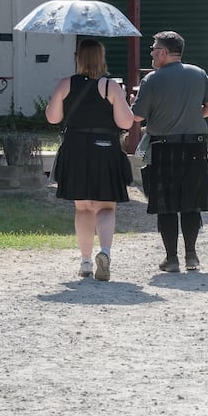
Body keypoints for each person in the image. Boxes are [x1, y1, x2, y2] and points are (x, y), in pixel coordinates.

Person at [131, 31, 208, 273]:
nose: (151, 53)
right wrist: (193, 115)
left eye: (153, 49)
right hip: (195, 145)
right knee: (191, 202)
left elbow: (137, 116)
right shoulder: (198, 73)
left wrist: (131, 100)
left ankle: (171, 259)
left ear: (163, 52)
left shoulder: (152, 79)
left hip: (163, 147)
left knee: (167, 204)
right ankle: (191, 256)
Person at [45, 38, 134, 280]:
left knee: (83, 207)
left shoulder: (66, 84)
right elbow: (126, 123)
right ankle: (104, 252)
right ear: (101, 59)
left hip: (75, 149)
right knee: (106, 206)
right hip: (105, 149)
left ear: (78, 59)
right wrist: (125, 100)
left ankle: (85, 261)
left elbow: (53, 118)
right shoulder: (110, 86)